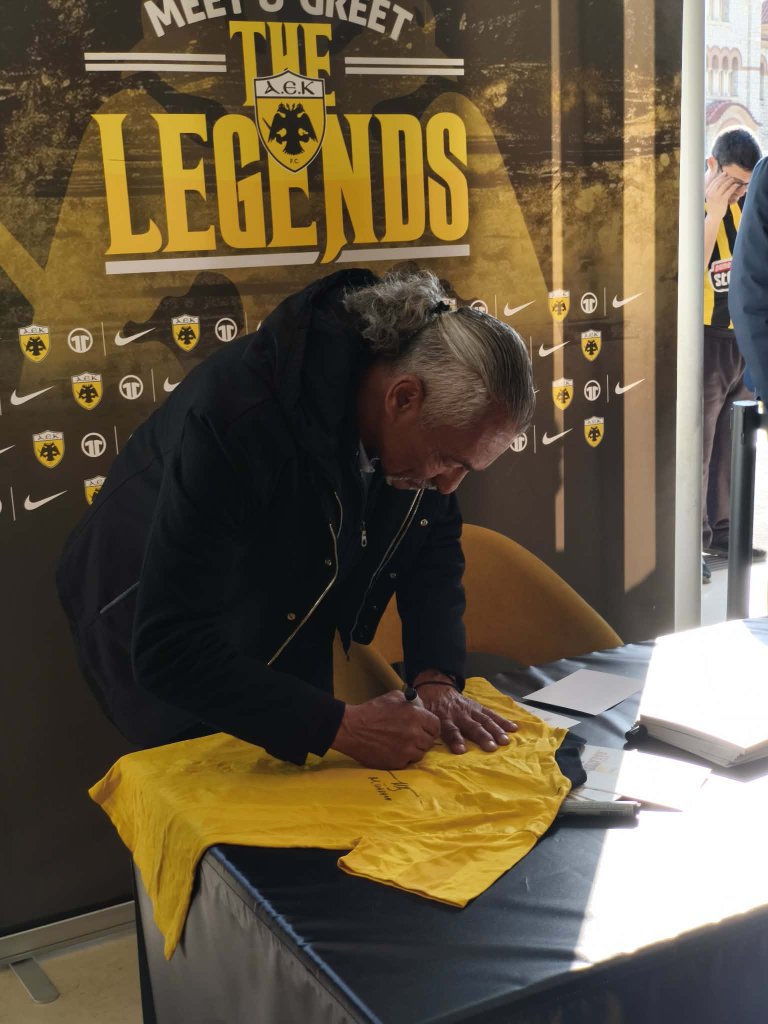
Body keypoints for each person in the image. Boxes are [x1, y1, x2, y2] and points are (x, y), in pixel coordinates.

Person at [57, 269, 535, 771]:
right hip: (145, 618)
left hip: (276, 603)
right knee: (208, 780)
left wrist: (435, 676)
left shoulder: (425, 422)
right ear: (403, 397)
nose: (450, 486)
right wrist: (340, 727)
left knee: (299, 777)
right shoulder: (238, 416)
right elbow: (169, 650)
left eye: (466, 468)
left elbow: (429, 540)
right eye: (449, 461)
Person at [701, 128, 763, 580]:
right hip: (706, 340)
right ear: (712, 167)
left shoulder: (752, 207)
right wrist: (714, 211)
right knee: (701, 445)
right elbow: (684, 271)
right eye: (734, 182)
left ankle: (726, 532)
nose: (740, 191)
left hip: (744, 340)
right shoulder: (699, 207)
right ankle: (694, 542)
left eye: (747, 184)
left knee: (734, 442)